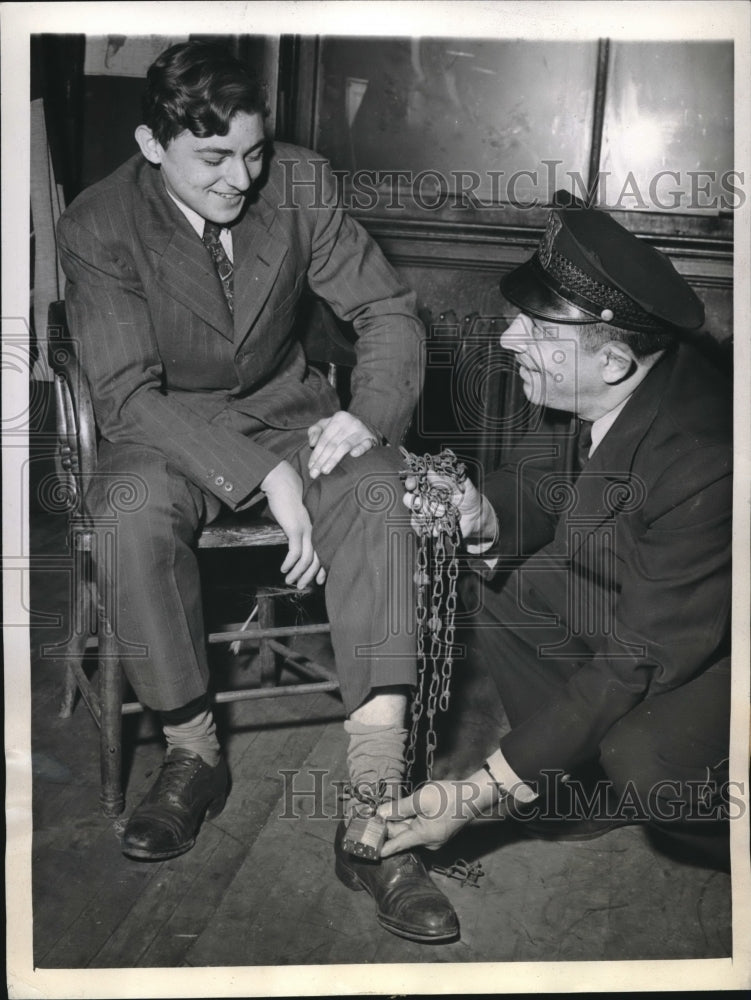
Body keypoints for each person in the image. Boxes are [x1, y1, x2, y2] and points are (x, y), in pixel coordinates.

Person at [57, 40, 458, 943]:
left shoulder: (300, 183)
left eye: (253, 151)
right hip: (163, 427)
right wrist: (263, 473)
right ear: (152, 144)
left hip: (290, 409)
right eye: (213, 159)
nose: (241, 177)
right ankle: (193, 752)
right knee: (127, 514)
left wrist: (368, 415)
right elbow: (123, 396)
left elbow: (386, 312)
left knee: (376, 494)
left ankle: (374, 809)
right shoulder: (96, 222)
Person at [379, 205, 732, 875]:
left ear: (612, 362)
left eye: (536, 329)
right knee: (503, 581)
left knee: (646, 760)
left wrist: (480, 792)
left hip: (718, 649)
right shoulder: (589, 386)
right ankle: (578, 791)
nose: (509, 338)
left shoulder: (702, 460)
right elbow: (537, 478)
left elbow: (636, 659)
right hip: (648, 595)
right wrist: (485, 517)